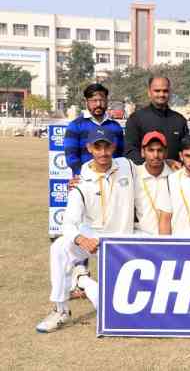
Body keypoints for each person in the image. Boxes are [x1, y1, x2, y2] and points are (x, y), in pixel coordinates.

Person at [36, 127, 136, 333]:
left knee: (112, 307)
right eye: (97, 147)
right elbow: (69, 223)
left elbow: (154, 168)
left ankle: (81, 280)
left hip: (125, 237)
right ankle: (61, 309)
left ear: (114, 147)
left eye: (107, 146)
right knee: (59, 248)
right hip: (95, 240)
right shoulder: (81, 180)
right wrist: (82, 239)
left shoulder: (127, 166)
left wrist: (171, 163)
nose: (103, 152)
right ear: (89, 148)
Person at [124, 76, 189, 166]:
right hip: (144, 175)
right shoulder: (136, 119)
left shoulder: (179, 120)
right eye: (157, 91)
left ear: (169, 93)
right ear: (149, 93)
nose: (161, 94)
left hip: (173, 175)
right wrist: (154, 167)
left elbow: (186, 150)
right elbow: (130, 151)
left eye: (165, 91)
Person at [64, 83, 124, 176]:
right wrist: (89, 176)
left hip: (112, 180)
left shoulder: (115, 127)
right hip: (85, 181)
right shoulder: (75, 126)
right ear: (86, 101)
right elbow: (71, 158)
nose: (98, 104)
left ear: (107, 101)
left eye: (102, 100)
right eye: (94, 101)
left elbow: (120, 157)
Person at [134, 131, 173, 236]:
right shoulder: (133, 175)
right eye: (151, 150)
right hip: (141, 236)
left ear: (166, 152)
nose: (155, 155)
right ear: (143, 152)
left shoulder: (175, 176)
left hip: (170, 237)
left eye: (159, 150)